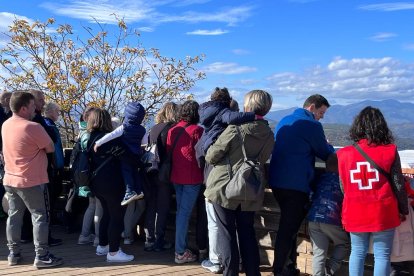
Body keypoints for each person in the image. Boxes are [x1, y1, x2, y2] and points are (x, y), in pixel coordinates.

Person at [204, 90, 275, 276]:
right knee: (247, 233)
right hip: (250, 189)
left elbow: (211, 156)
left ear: (247, 107)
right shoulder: (268, 134)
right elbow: (264, 158)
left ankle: (231, 273)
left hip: (224, 188)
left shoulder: (235, 129)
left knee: (226, 234)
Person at [337, 106, 409, 276]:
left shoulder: (344, 154)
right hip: (383, 211)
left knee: (357, 252)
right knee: (382, 255)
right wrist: (403, 209)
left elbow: (343, 187)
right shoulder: (390, 150)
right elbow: (398, 184)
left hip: (354, 210)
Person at [268, 94, 334, 276]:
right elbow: (324, 152)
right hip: (296, 184)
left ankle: (289, 266)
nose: (322, 116)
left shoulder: (284, 120)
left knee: (289, 225)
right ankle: (280, 269)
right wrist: (329, 146)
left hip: (277, 181)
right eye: (321, 112)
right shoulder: (312, 125)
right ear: (312, 107)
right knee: (288, 229)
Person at [2, 90, 63, 268]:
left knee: (14, 217)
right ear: (23, 108)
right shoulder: (33, 127)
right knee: (40, 217)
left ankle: (13, 254)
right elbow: (50, 147)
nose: (35, 109)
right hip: (32, 180)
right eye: (31, 106)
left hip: (10, 179)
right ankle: (42, 256)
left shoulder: (5, 125)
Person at [197, 88, 256, 273]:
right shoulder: (225, 116)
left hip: (210, 171)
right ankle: (222, 262)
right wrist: (254, 115)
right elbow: (231, 120)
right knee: (231, 230)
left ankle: (220, 262)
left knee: (219, 225)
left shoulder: (206, 113)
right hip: (229, 180)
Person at [87, 108, 134, 262]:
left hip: (96, 183)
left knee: (106, 213)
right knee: (117, 216)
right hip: (112, 183)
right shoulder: (109, 139)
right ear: (106, 121)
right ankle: (113, 252)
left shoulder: (90, 137)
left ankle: (103, 246)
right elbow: (127, 156)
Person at [167, 100, 204, 264]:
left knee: (182, 213)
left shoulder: (172, 130)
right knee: (184, 214)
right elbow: (202, 155)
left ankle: (181, 249)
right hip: (193, 178)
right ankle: (180, 252)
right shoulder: (198, 130)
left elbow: (169, 151)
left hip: (176, 177)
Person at [94, 102, 146, 206]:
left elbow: (111, 135)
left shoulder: (125, 127)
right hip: (137, 155)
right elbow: (144, 143)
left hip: (126, 154)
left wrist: (98, 143)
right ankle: (139, 190)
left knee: (126, 172)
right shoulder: (143, 129)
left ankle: (129, 192)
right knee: (135, 172)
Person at [143, 102, 179, 252]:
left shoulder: (153, 129)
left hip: (150, 171)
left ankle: (149, 239)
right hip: (164, 173)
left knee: (151, 205)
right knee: (163, 207)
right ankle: (159, 240)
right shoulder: (172, 129)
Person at [307, 154, 350, 276]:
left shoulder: (319, 179)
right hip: (332, 219)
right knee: (344, 243)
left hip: (313, 218)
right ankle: (329, 270)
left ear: (326, 167)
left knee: (319, 252)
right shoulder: (343, 181)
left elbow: (310, 196)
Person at [29, 89, 62, 247]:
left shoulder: (10, 124)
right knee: (42, 209)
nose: (43, 103)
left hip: (25, 172)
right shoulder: (38, 121)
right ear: (31, 102)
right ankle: (44, 241)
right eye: (41, 100)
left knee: (20, 212)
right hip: (41, 170)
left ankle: (24, 239)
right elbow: (51, 142)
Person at [44, 102, 65, 225]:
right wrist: (55, 165)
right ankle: (51, 218)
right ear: (51, 111)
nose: (58, 114)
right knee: (52, 193)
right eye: (57, 111)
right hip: (54, 166)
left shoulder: (49, 124)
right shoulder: (49, 126)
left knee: (55, 192)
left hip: (56, 164)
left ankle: (51, 217)